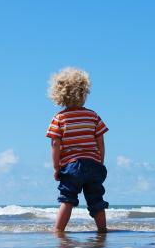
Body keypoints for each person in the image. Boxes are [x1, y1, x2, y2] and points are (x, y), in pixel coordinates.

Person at [46, 67, 109, 233]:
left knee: (67, 200)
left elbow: (55, 144)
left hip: (72, 166)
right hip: (94, 165)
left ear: (59, 94)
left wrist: (56, 167)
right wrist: (100, 162)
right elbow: (100, 142)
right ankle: (102, 230)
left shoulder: (59, 118)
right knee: (96, 200)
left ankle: (58, 231)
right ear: (84, 92)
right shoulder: (93, 116)